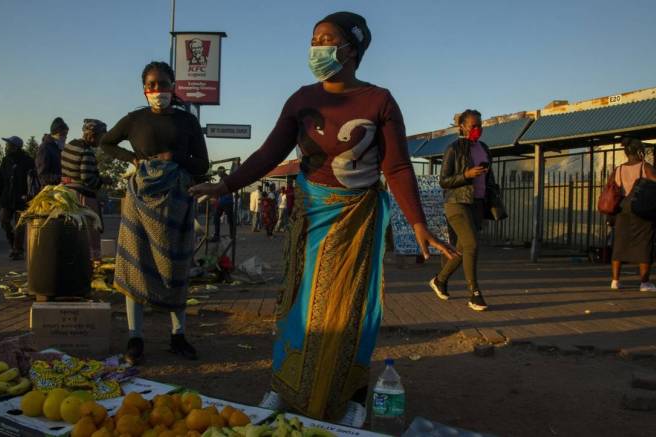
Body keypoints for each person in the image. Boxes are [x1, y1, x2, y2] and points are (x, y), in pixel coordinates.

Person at [189, 11, 454, 425]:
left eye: (327, 39)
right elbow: (267, 154)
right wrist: (225, 186)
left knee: (350, 309)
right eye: (314, 39)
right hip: (309, 215)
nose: (317, 48)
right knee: (297, 305)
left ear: (352, 48)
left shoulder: (378, 100)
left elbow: (398, 169)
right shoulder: (301, 99)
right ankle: (283, 386)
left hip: (357, 219)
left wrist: (419, 224)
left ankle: (353, 395)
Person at [100, 61, 209, 365]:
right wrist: (133, 158)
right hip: (139, 202)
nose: (158, 90)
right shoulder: (135, 120)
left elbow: (203, 165)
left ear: (174, 87)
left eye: (164, 84)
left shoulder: (187, 122)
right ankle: (135, 336)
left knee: (175, 268)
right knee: (136, 264)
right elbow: (106, 142)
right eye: (152, 85)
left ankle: (178, 335)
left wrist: (176, 158)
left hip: (176, 202)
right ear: (144, 89)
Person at [428, 109, 496, 312]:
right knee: (472, 245)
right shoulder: (453, 149)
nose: (478, 129)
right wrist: (466, 174)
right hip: (456, 203)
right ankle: (474, 293)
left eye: (480, 125)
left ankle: (439, 280)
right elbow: (444, 181)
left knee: (462, 248)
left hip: (477, 203)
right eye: (473, 126)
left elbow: (489, 177)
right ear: (462, 127)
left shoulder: (484, 147)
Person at [610, 136, 656, 292]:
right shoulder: (645, 167)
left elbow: (612, 186)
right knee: (644, 244)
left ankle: (615, 281)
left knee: (619, 245)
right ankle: (644, 283)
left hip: (622, 210)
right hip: (641, 209)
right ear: (640, 151)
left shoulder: (618, 169)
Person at [61, 119, 108, 263]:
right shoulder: (86, 152)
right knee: (90, 231)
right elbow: (87, 178)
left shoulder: (69, 146)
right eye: (101, 137)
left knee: (73, 230)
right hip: (83, 196)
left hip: (66, 194)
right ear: (93, 136)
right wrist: (102, 180)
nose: (101, 141)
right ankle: (91, 263)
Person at [0, 136, 36, 260]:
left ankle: (18, 250)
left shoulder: (28, 161)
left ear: (16, 147)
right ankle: (13, 244)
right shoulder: (6, 160)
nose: (6, 147)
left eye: (9, 145)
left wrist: (29, 196)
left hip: (21, 198)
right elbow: (0, 179)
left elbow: (32, 181)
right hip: (6, 198)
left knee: (19, 226)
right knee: (3, 220)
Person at [36, 117, 69, 186]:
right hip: (50, 192)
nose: (65, 138)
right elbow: (43, 176)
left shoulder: (59, 148)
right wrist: (60, 179)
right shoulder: (45, 148)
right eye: (62, 134)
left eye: (66, 135)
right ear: (55, 133)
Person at [210, 166, 235, 242]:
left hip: (227, 201)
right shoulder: (222, 178)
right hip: (221, 202)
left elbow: (220, 188)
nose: (218, 174)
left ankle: (231, 235)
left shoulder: (226, 178)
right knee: (216, 218)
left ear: (222, 172)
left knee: (230, 220)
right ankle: (217, 235)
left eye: (218, 173)